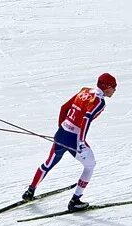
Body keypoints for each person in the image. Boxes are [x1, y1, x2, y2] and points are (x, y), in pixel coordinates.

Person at [22, 73, 116, 211]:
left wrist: (62, 128)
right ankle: (75, 201)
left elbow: (64, 107)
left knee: (48, 163)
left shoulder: (84, 91)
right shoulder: (99, 102)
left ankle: (30, 191)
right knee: (90, 165)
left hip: (62, 133)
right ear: (107, 87)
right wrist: (81, 142)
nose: (114, 90)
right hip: (75, 139)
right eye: (114, 87)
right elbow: (86, 119)